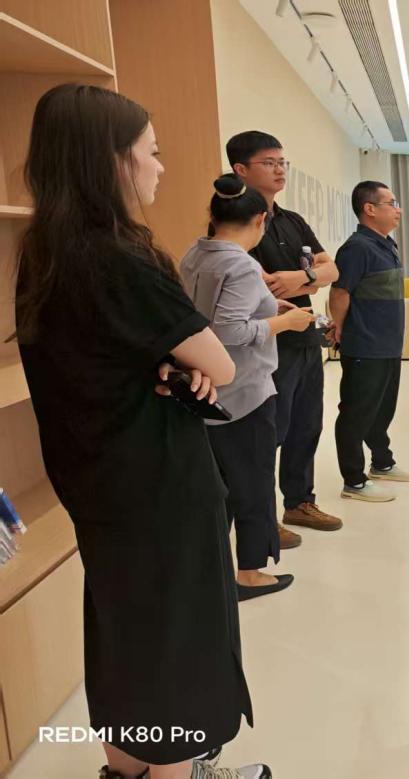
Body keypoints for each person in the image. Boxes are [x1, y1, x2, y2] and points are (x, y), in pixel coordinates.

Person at [15, 84, 267, 779]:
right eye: (150, 153)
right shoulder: (119, 257)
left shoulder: (46, 253)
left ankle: (125, 771)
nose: (160, 167)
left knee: (126, 629)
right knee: (176, 642)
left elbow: (108, 358)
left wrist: (166, 364)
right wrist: (181, 363)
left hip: (96, 479)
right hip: (158, 482)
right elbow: (220, 361)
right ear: (111, 161)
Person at [181, 174, 318, 600]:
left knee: (218, 488)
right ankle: (251, 572)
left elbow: (208, 314)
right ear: (260, 220)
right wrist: (285, 322)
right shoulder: (241, 263)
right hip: (245, 391)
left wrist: (269, 305)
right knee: (254, 484)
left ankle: (214, 570)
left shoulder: (195, 254)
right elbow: (229, 330)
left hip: (205, 391)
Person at [228, 130, 343, 543]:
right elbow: (260, 284)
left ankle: (299, 502)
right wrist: (310, 278)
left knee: (305, 426)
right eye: (269, 163)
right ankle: (261, 519)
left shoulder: (292, 220)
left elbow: (332, 269)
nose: (279, 170)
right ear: (241, 169)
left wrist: (300, 278)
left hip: (305, 337)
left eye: (282, 163)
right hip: (267, 343)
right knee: (266, 435)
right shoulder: (238, 222)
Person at [329, 181, 409, 502]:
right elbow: (339, 292)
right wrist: (340, 328)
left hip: (388, 346)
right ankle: (354, 481)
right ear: (369, 209)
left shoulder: (385, 244)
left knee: (382, 411)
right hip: (365, 346)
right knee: (356, 414)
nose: (398, 210)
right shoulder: (357, 248)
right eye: (391, 203)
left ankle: (382, 462)